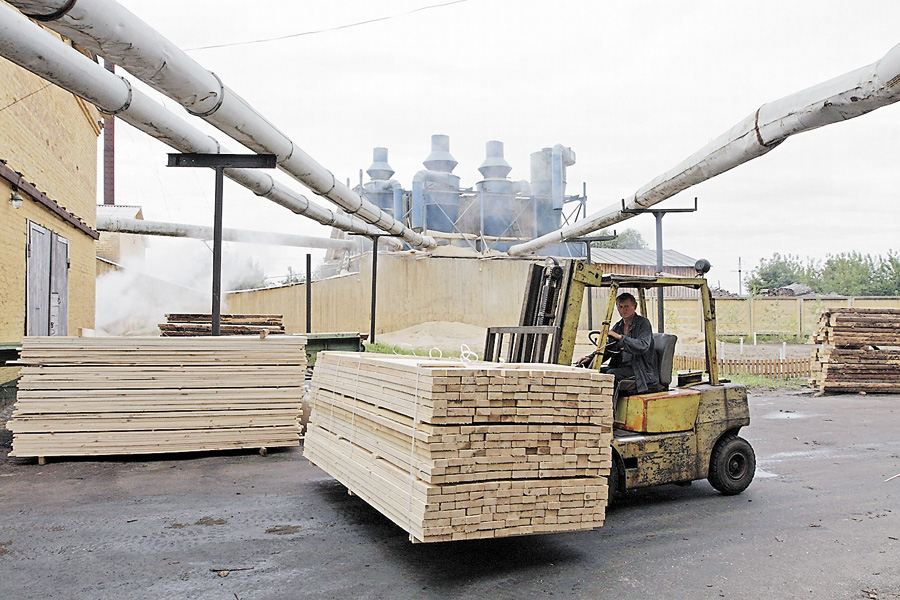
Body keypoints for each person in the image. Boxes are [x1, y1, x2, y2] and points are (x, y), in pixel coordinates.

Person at [577, 292, 660, 394]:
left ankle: (610, 408)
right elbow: (609, 347)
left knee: (612, 375)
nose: (624, 309)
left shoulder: (643, 323)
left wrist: (621, 338)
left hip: (640, 370)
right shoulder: (618, 326)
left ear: (635, 306)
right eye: (620, 306)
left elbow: (642, 346)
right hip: (622, 367)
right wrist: (590, 358)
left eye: (627, 306)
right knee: (597, 372)